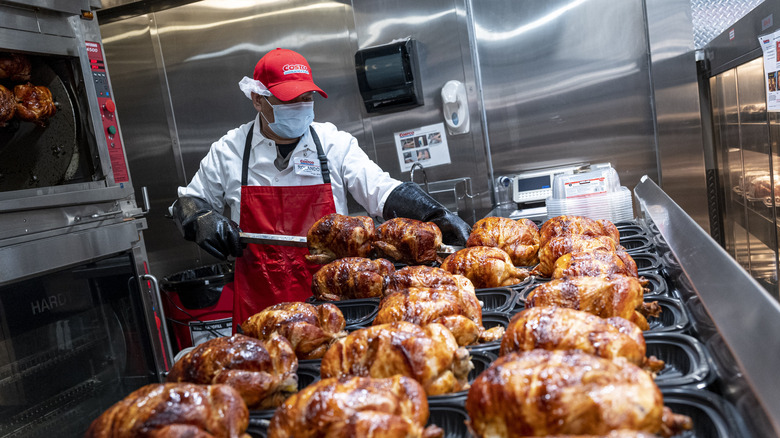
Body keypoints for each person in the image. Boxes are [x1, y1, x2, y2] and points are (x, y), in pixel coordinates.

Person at [171, 48, 470, 326]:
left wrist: (434, 214)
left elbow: (380, 189)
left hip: (333, 302)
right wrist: (201, 220)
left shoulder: (332, 143)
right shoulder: (230, 150)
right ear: (258, 99)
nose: (301, 107)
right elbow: (189, 203)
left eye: (307, 97)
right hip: (260, 312)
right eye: (290, 100)